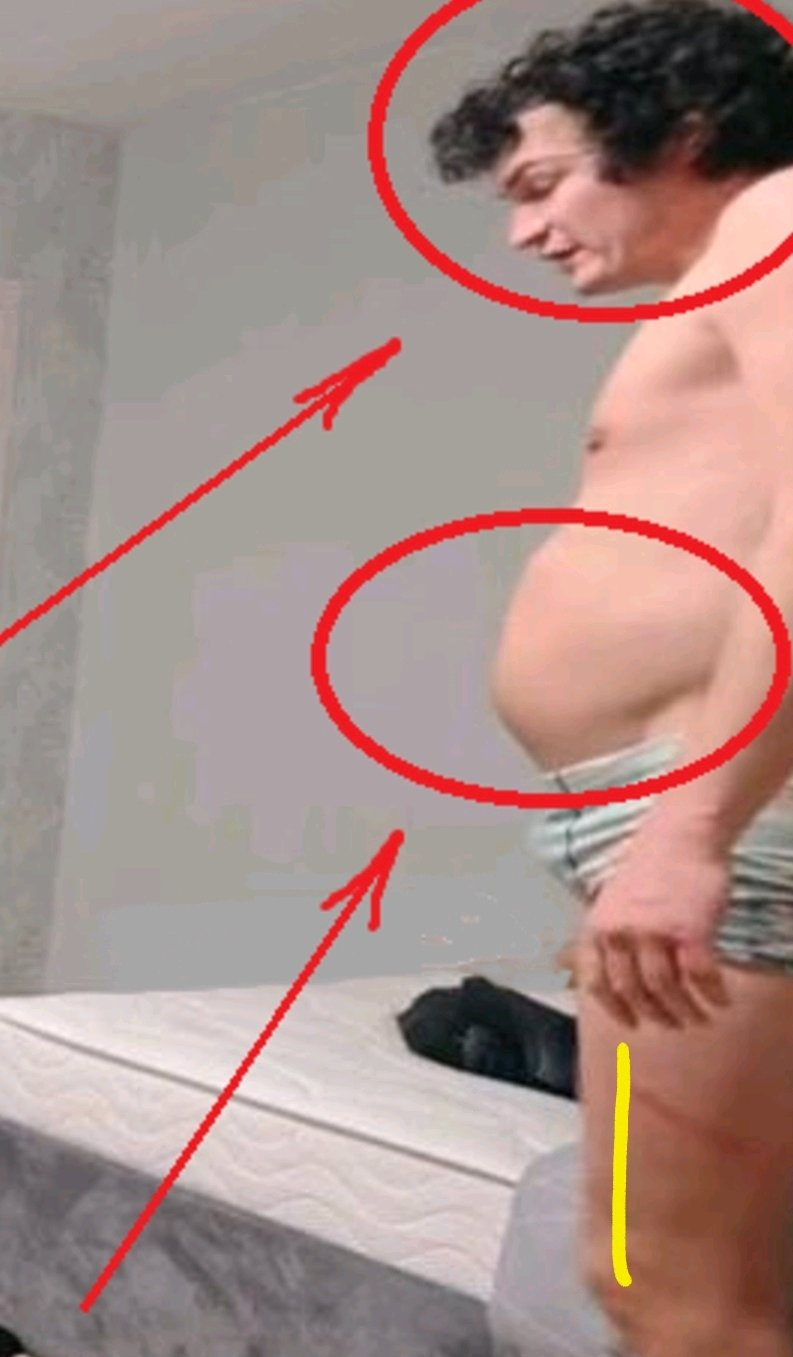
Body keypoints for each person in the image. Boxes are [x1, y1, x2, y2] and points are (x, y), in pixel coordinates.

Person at [428, 4, 793, 1355]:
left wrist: (689, 831)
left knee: (670, 1293)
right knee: (687, 1279)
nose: (525, 232)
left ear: (684, 133)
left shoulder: (776, 219)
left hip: (715, 808)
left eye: (542, 183)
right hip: (686, 810)